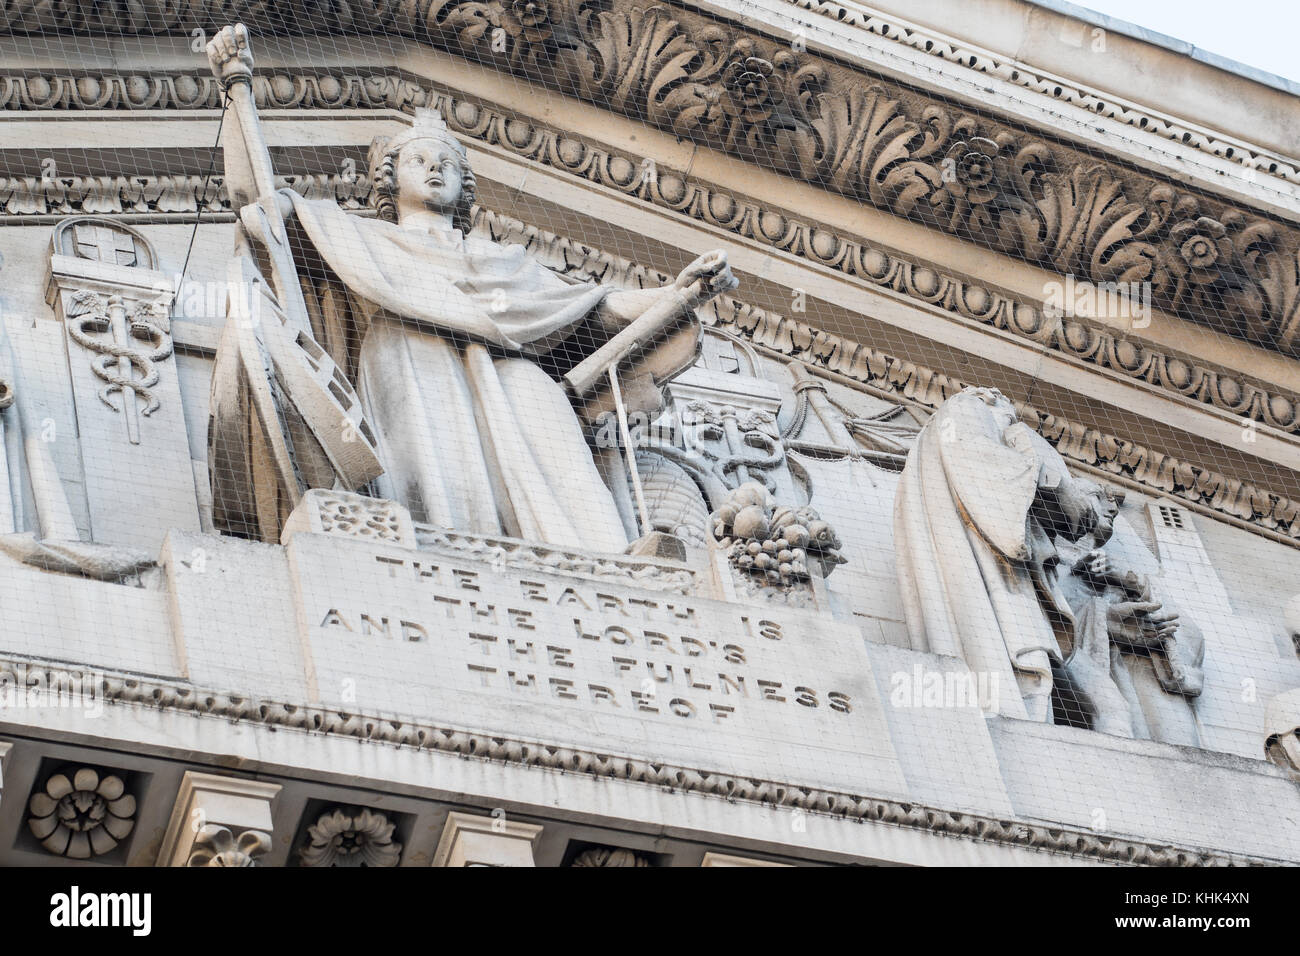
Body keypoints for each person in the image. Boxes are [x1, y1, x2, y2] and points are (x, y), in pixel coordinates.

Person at [205, 26, 737, 549]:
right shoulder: (357, 236)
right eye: (419, 160)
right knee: (438, 477)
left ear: (465, 187)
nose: (434, 168)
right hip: (408, 356)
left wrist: (675, 293)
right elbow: (256, 206)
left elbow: (591, 309)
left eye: (447, 164)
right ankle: (441, 562)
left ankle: (607, 558)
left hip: (510, 366)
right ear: (390, 178)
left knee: (557, 441)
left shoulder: (501, 259)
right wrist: (237, 90)